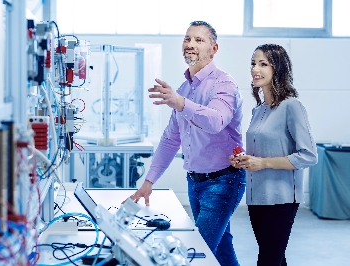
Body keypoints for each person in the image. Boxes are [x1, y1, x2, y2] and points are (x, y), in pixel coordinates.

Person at [127, 21, 246, 266]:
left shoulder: (224, 84)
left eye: (199, 40)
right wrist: (148, 182)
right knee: (221, 249)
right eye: (187, 39)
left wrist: (181, 103)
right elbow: (171, 139)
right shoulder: (184, 88)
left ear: (214, 49)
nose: (190, 44)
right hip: (196, 182)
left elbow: (216, 121)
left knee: (194, 254)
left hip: (223, 181)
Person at [230, 44, 318, 266]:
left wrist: (263, 162)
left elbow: (308, 155)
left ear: (277, 68)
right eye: (253, 63)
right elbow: (259, 154)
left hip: (282, 199)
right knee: (277, 260)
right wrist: (244, 160)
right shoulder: (258, 110)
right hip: (256, 197)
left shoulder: (292, 106)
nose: (255, 69)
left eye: (263, 64)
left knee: (268, 261)